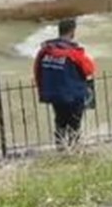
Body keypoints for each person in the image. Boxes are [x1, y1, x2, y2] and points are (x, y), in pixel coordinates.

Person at [33, 17, 97, 150]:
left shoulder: (45, 51)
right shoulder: (74, 53)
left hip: (54, 94)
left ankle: (60, 149)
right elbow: (89, 69)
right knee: (74, 125)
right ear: (73, 32)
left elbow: (37, 71)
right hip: (73, 95)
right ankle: (73, 151)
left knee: (60, 122)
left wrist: (42, 90)